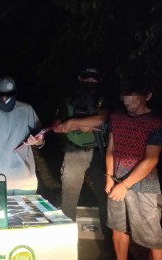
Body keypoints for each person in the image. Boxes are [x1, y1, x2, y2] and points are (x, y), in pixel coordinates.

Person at [52, 66, 114, 255]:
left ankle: (109, 244)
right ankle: (67, 241)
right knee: (69, 197)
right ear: (79, 78)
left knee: (105, 197)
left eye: (94, 79)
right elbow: (56, 126)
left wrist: (72, 124)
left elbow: (101, 119)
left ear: (99, 80)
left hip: (99, 153)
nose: (90, 83)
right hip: (74, 152)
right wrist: (73, 125)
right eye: (86, 79)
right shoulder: (68, 97)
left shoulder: (105, 97)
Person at [106, 75, 162, 260]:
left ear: (147, 96)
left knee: (152, 237)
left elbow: (151, 159)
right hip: (116, 180)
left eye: (134, 97)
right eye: (126, 96)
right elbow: (111, 149)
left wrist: (125, 185)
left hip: (144, 184)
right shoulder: (116, 117)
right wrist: (109, 177)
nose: (128, 102)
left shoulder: (155, 122)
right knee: (118, 229)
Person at [0, 76, 44, 195]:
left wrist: (38, 141)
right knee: (2, 213)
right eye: (1, 94)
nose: (4, 98)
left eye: (8, 94)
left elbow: (40, 139)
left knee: (25, 214)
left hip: (24, 179)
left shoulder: (26, 110)